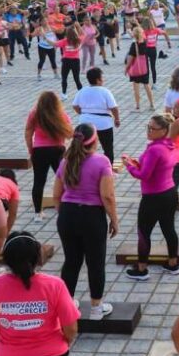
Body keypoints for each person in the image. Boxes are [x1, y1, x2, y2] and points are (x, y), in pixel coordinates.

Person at [53, 124, 117, 318]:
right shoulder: (102, 161)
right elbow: (107, 196)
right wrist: (114, 220)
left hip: (67, 215)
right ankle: (96, 308)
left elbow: (56, 195)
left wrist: (64, 214)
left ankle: (67, 305)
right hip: (91, 217)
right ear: (95, 140)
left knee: (71, 261)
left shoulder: (65, 161)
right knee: (95, 263)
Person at [122, 114, 179, 280]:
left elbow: (144, 175)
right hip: (169, 193)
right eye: (148, 127)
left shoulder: (155, 149)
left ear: (163, 130)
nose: (148, 131)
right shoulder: (168, 145)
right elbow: (154, 168)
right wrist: (137, 163)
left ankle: (141, 269)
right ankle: (172, 264)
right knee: (169, 229)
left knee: (143, 232)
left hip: (153, 197)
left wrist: (128, 166)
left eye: (152, 128)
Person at [25, 92, 72, 220]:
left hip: (39, 151)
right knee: (64, 180)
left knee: (39, 181)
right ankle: (65, 208)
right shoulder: (61, 115)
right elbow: (69, 133)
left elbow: (28, 131)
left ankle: (37, 213)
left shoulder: (34, 114)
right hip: (58, 150)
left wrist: (30, 148)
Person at [72, 67, 119, 164]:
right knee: (107, 148)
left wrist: (82, 113)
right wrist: (117, 119)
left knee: (85, 147)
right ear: (98, 80)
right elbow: (114, 108)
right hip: (103, 124)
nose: (103, 80)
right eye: (102, 78)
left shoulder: (82, 91)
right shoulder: (105, 91)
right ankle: (108, 168)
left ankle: (84, 165)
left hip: (85, 123)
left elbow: (75, 105)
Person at [124, 25, 154, 111]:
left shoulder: (134, 45)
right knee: (147, 86)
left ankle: (137, 105)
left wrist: (126, 68)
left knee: (136, 87)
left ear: (134, 35)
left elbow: (130, 58)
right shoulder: (145, 43)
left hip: (136, 69)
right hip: (145, 68)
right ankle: (152, 104)